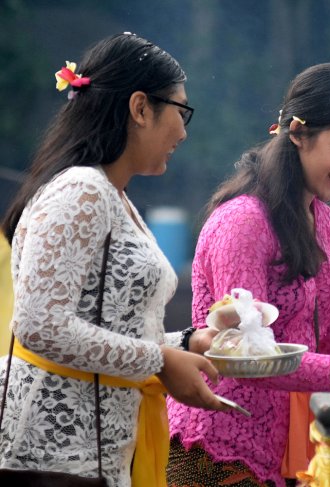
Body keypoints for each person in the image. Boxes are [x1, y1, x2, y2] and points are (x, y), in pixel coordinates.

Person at [166, 62, 330, 487]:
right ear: (297, 133)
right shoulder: (243, 221)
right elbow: (248, 355)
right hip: (219, 447)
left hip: (297, 449)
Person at [0, 33, 234, 487]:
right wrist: (161, 361)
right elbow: (40, 324)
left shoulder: (113, 196)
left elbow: (109, 330)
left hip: (99, 453)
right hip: (50, 458)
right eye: (180, 111)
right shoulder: (82, 190)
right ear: (140, 107)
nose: (184, 132)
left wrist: (188, 343)